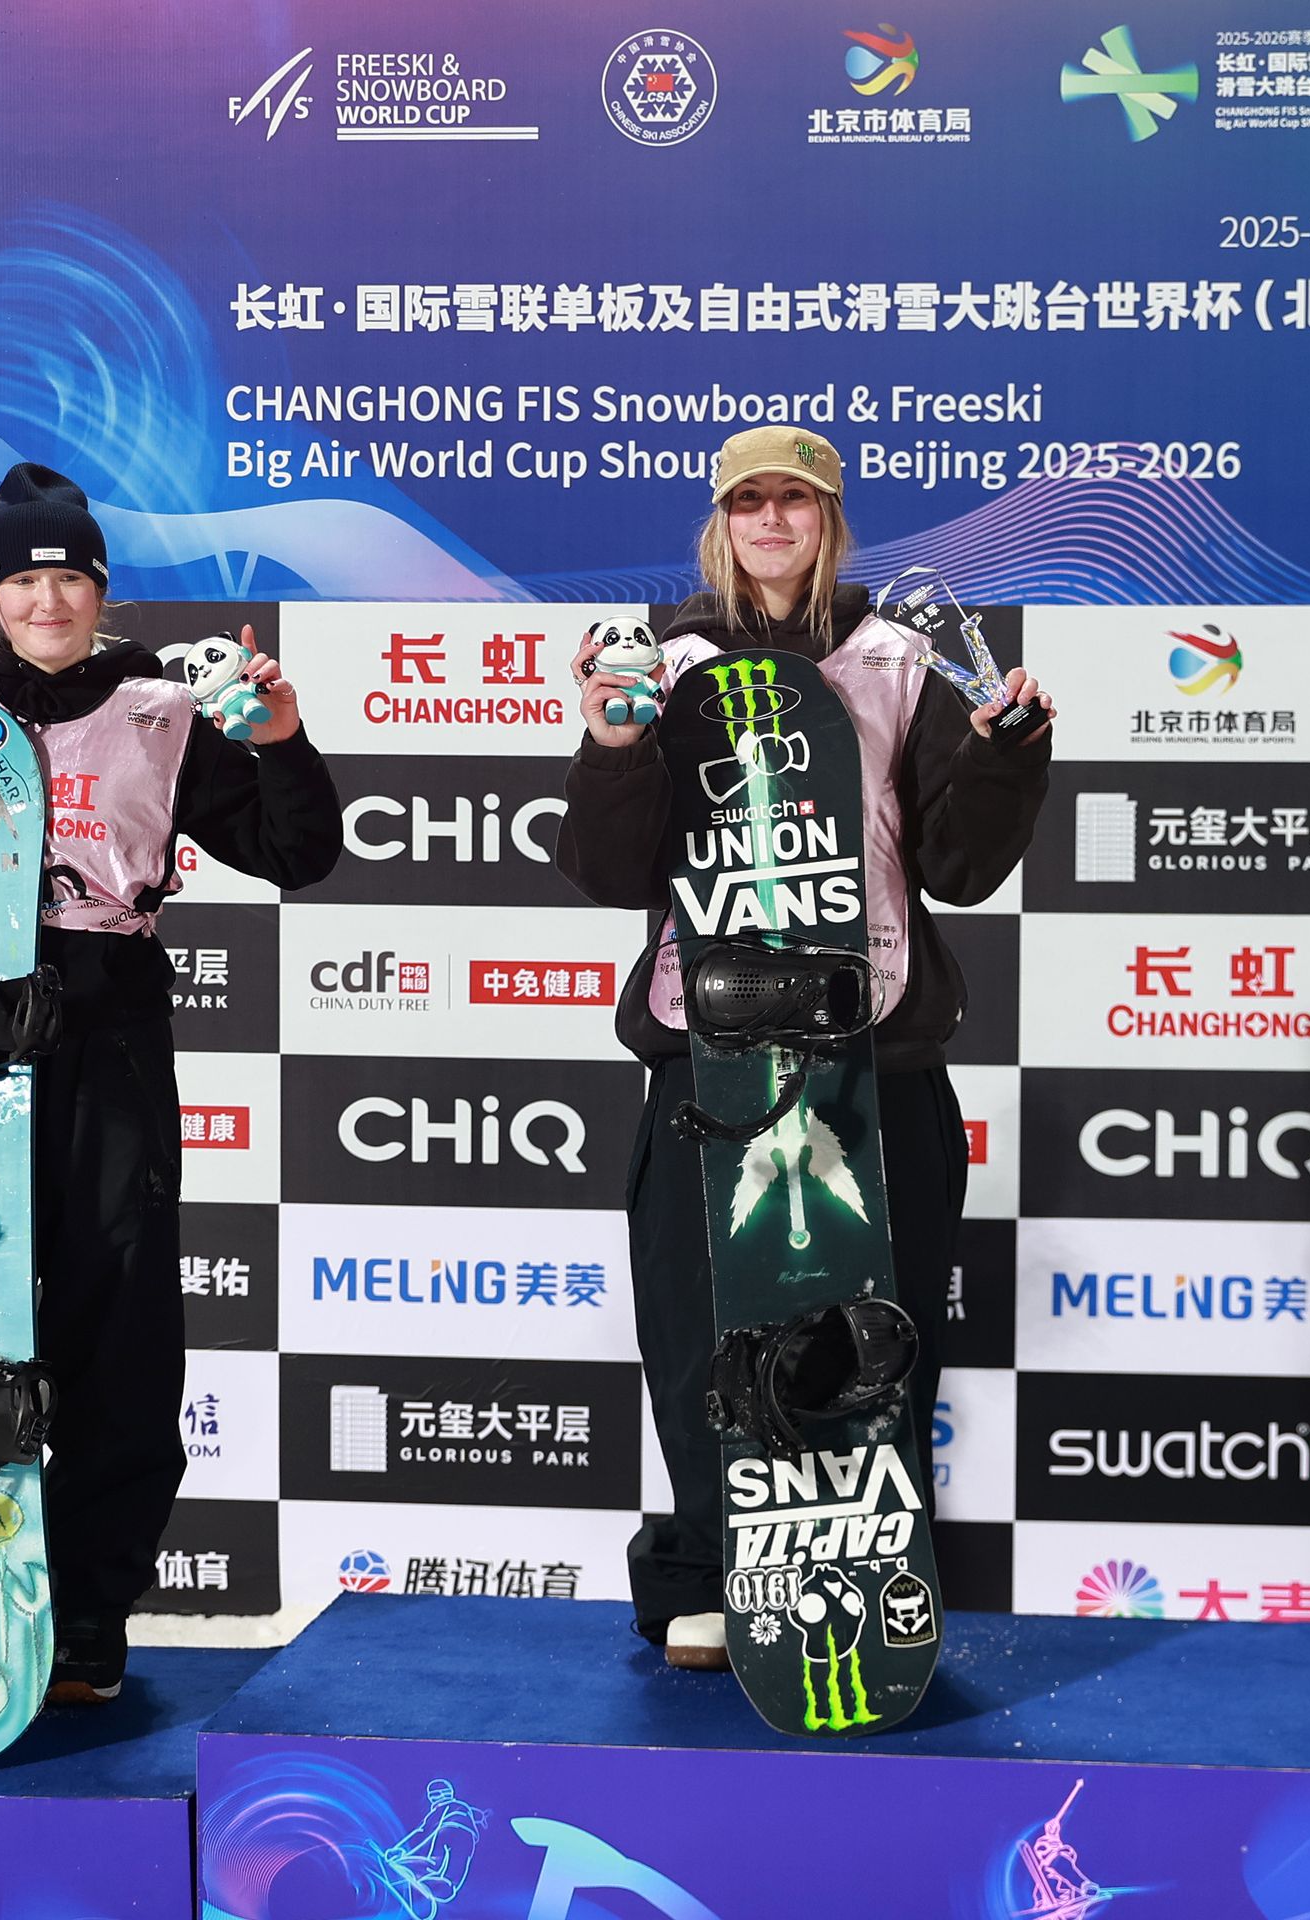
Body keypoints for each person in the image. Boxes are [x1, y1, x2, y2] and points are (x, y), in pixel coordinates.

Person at [0, 463, 341, 1702]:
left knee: (119, 1326)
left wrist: (284, 740)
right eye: (25, 579)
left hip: (107, 1031)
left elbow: (301, 853)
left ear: (101, 587)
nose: (50, 598)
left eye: (71, 575)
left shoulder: (161, 706)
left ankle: (85, 1612)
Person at [551, 425, 1054, 1669]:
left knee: (874, 1336)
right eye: (750, 504)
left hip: (874, 1054)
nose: (772, 523)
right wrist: (613, 748)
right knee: (696, 1330)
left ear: (831, 519)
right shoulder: (657, 662)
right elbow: (614, 873)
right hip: (706, 1057)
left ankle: (869, 1570)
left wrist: (1008, 751)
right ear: (720, 524)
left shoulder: (901, 658)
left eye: (797, 502)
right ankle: (705, 1571)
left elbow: (960, 866)